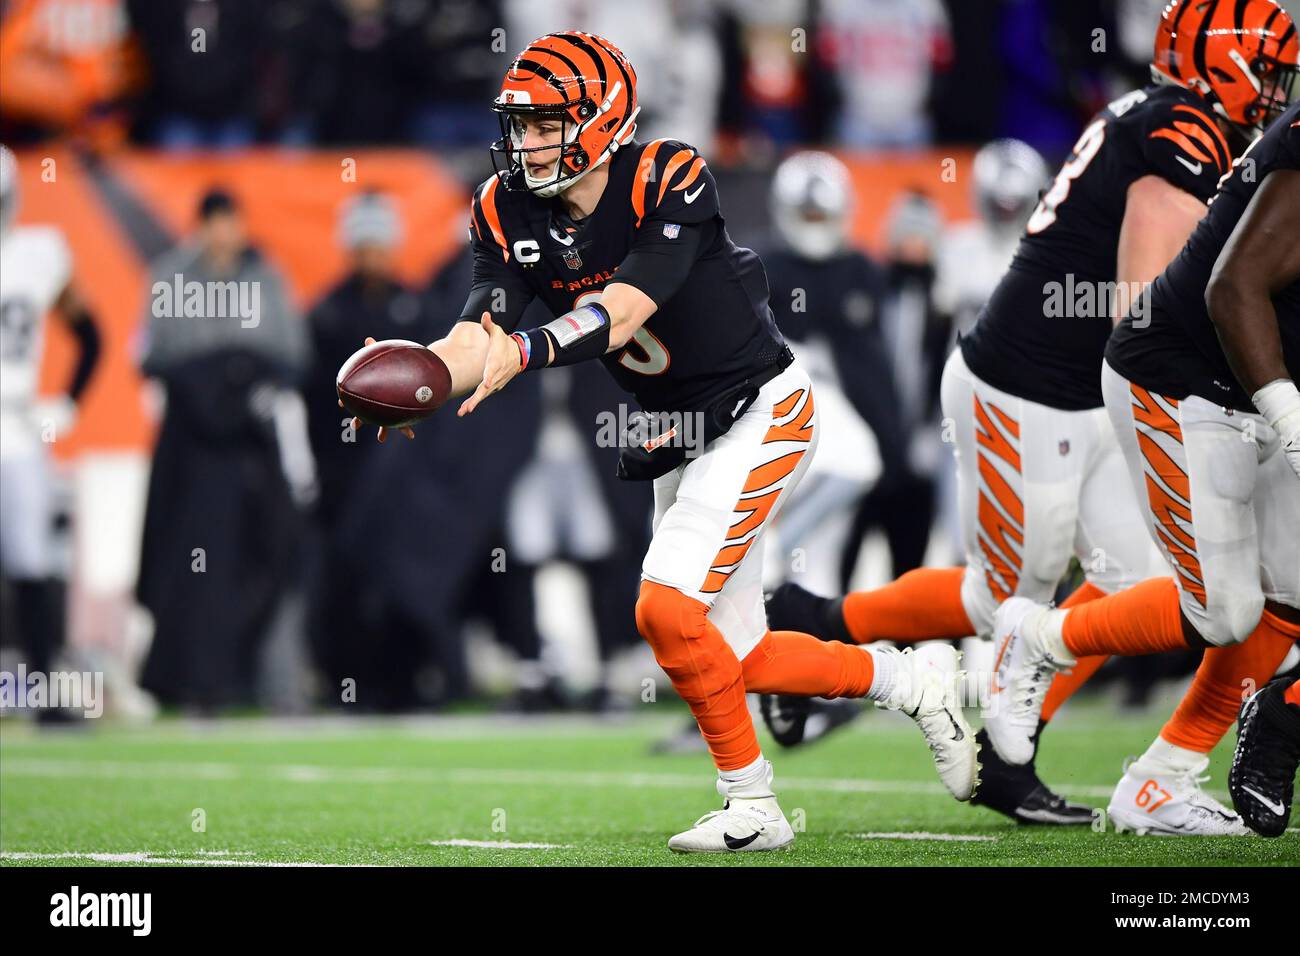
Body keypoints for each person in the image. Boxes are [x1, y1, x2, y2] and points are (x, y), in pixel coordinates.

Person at [346, 31, 977, 853]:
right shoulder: (505, 208)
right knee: (738, 655)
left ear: (603, 119)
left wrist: (526, 351)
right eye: (522, 125)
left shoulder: (665, 176)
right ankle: (914, 679)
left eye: (547, 125)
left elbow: (628, 306)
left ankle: (753, 804)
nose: (528, 143)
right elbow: (482, 332)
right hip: (680, 433)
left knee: (666, 609)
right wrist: (426, 373)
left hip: (759, 410)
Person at [763, 0, 1284, 826]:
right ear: (1226, 65)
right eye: (1271, 69)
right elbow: (1141, 306)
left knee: (1128, 589)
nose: (1279, 90)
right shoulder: (1183, 132)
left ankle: (837, 633)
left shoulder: (1164, 116)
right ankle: (822, 644)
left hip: (1087, 389)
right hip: (1028, 390)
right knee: (1008, 603)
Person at [989, 88, 1300, 836]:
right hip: (1182, 379)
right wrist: (1291, 417)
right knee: (1224, 611)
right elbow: (1234, 288)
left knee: (1291, 592)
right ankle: (1033, 636)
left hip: (1250, 381)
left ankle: (1160, 782)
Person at [136, 188, 308, 710]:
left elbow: (293, 356)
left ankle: (256, 680)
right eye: (213, 222)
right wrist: (210, 383)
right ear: (202, 226)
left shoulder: (268, 278)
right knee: (189, 565)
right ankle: (191, 681)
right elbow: (153, 356)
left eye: (230, 222)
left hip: (250, 446)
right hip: (191, 448)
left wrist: (241, 382)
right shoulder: (170, 276)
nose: (222, 233)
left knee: (264, 557)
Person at [0, 145, 102, 720]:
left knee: (32, 561)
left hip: (15, 425)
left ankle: (40, 694)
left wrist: (67, 401)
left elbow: (93, 335)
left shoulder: (38, 255)